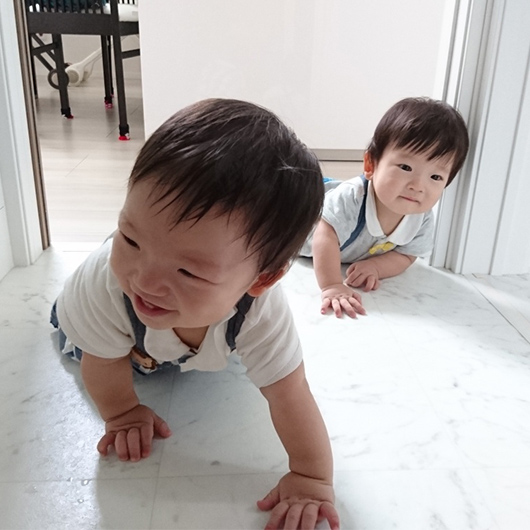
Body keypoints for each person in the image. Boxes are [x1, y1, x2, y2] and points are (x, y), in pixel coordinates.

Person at [50, 98, 340, 530]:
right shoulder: (107, 286)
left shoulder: (260, 314)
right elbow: (103, 361)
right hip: (111, 341)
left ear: (262, 279)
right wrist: (123, 413)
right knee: (102, 346)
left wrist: (312, 476)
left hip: (194, 332)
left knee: (236, 349)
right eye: (130, 238)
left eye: (188, 270)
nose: (145, 279)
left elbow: (290, 392)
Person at [300, 97, 469, 319]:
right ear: (370, 164)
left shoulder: (422, 218)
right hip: (298, 211)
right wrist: (332, 285)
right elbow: (325, 235)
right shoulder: (352, 198)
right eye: (405, 167)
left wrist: (377, 267)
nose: (417, 186)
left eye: (435, 176)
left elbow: (408, 254)